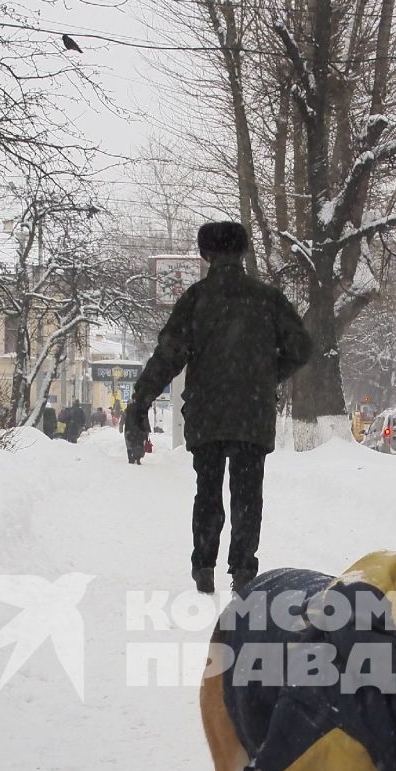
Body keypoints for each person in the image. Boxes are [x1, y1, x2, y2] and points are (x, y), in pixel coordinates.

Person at [126, 221, 313, 594]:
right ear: (242, 252)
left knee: (207, 489)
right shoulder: (268, 299)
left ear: (205, 254)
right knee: (247, 493)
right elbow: (301, 348)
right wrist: (266, 374)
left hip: (207, 412)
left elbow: (169, 355)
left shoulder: (196, 299)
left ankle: (204, 565)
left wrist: (141, 398)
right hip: (253, 413)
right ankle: (243, 568)